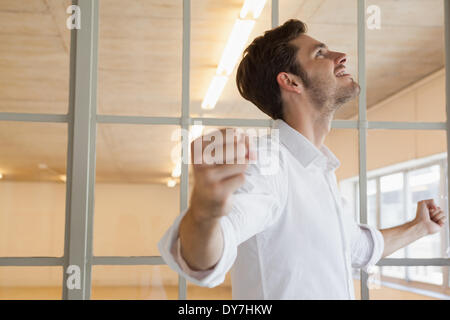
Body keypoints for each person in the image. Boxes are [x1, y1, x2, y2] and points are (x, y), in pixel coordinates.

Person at [158, 19, 447, 299]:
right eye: (320, 53)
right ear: (291, 81)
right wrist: (205, 213)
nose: (341, 56)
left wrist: (419, 227)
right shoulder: (266, 163)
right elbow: (206, 253)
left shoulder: (318, 170)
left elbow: (358, 247)